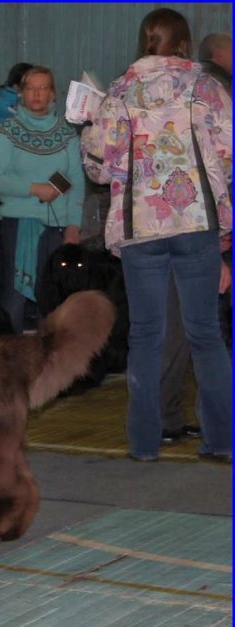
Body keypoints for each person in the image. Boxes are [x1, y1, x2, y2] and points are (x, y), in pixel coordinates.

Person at [81, 8, 232, 463]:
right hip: (197, 222)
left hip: (140, 226)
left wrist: (87, 127)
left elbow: (98, 168)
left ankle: (145, 444)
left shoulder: (119, 92)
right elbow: (228, 152)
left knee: (146, 336)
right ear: (185, 42)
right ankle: (223, 441)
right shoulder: (207, 87)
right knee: (205, 334)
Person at [160, 31, 233, 446]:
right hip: (195, 231)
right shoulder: (210, 98)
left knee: (185, 331)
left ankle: (173, 416)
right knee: (199, 332)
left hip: (187, 229)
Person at [0, 65, 84, 333]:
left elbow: (75, 179)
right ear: (21, 93)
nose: (37, 94)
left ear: (53, 94)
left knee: (52, 300)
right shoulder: (7, 131)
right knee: (13, 298)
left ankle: (50, 357)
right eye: (31, 88)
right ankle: (11, 356)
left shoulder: (67, 134)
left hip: (57, 227)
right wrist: (34, 189)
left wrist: (73, 225)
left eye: (43, 88)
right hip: (18, 225)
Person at [0, 61, 33, 159]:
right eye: (31, 86)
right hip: (0, 164)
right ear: (16, 87)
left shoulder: (5, 98)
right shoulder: (2, 105)